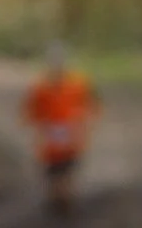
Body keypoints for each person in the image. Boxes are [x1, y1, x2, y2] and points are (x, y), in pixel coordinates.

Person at [22, 43, 98, 216]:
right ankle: (57, 198)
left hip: (70, 134)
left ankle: (65, 198)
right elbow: (32, 111)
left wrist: (84, 124)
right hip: (51, 136)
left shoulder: (77, 84)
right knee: (53, 170)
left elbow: (89, 105)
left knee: (68, 168)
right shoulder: (41, 87)